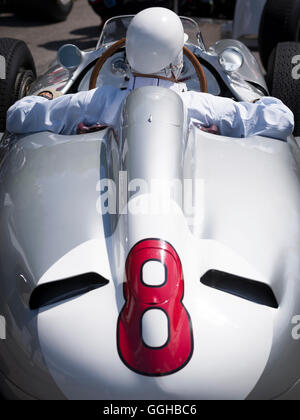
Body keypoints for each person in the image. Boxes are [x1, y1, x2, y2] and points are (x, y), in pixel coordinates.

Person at [6, 7, 294, 141]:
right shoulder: (202, 106)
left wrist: (47, 93)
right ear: (177, 62)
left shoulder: (96, 102)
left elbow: (17, 116)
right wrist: (251, 98)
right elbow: (282, 120)